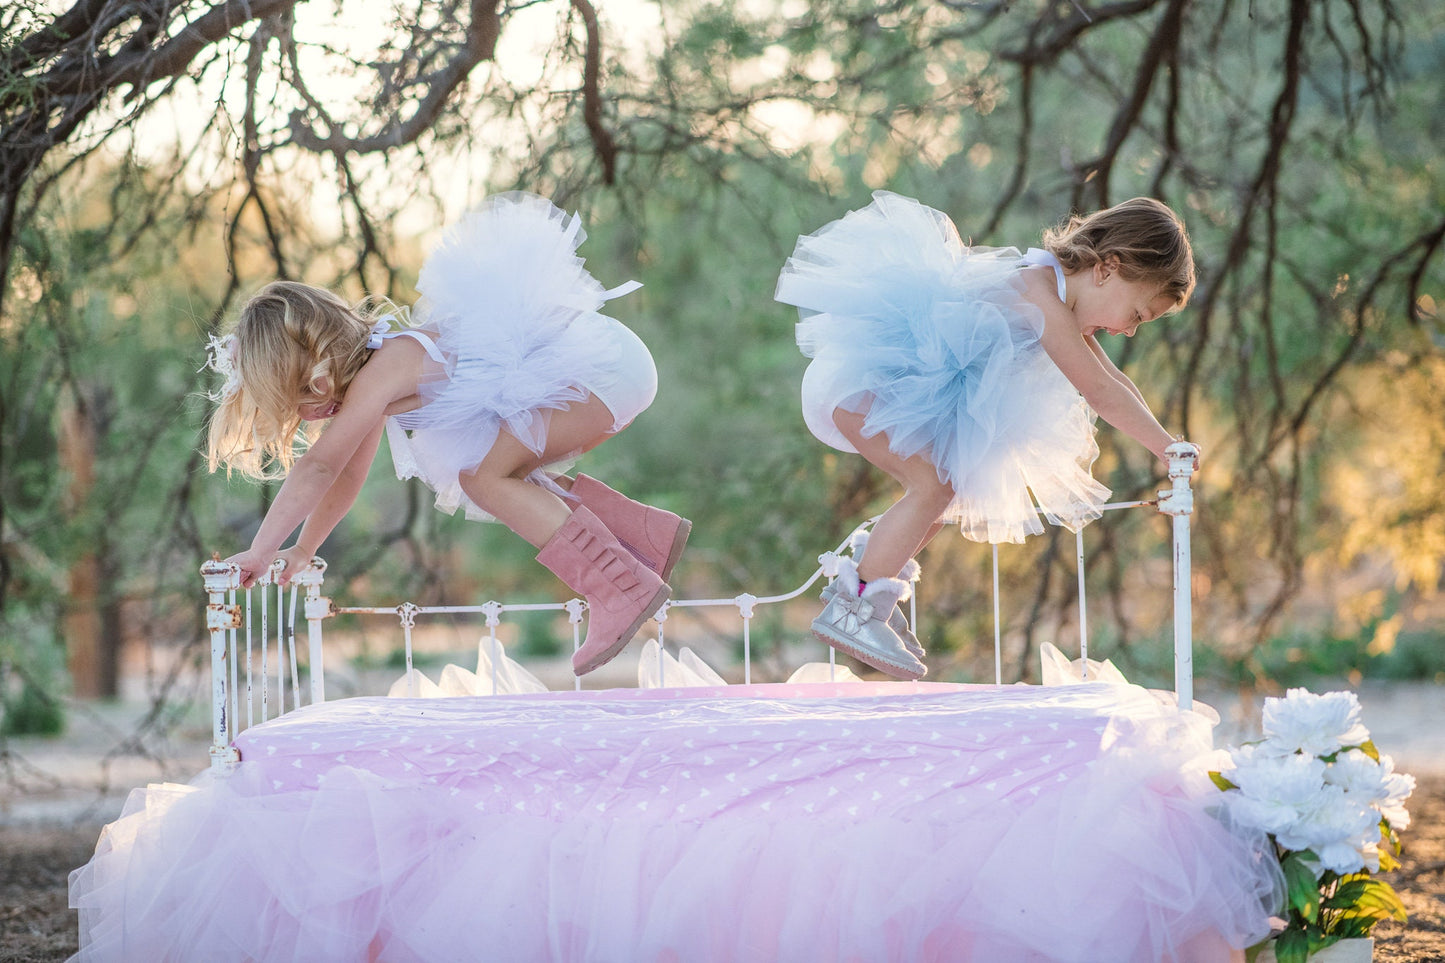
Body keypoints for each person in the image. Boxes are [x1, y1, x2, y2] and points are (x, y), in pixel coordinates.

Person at [205, 192, 688, 676]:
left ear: (320, 369)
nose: (310, 417)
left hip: (601, 368)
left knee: (485, 479)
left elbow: (321, 466)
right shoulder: (377, 379)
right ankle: (644, 536)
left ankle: (618, 590)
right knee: (507, 476)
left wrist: (262, 551)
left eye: (302, 401)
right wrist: (304, 548)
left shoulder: (386, 366)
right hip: (614, 367)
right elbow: (346, 478)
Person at [775, 191, 1197, 681]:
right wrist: (1166, 450)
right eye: (1139, 314)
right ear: (1108, 267)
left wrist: (1171, 440)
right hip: (864, 386)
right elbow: (1099, 392)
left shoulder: (1060, 303)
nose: (1129, 331)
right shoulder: (1037, 290)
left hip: (889, 397)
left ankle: (875, 588)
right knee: (934, 488)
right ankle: (856, 609)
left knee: (947, 491)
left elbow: (1116, 383)